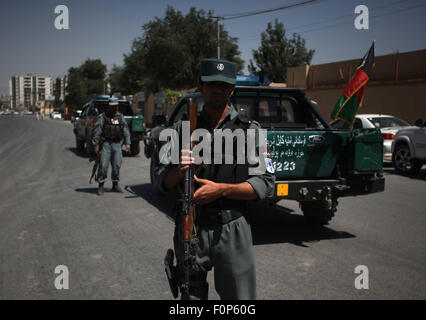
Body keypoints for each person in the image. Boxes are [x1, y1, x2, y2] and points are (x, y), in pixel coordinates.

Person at [156, 58, 275, 300]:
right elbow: (161, 180)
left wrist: (221, 190)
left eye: (224, 85)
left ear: (232, 89)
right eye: (212, 84)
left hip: (232, 229)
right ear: (201, 87)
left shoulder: (250, 130)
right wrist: (179, 170)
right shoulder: (180, 130)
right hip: (191, 226)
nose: (218, 90)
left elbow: (266, 183)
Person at [92, 98, 131, 196]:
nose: (115, 108)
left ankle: (115, 184)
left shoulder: (120, 117)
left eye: (116, 106)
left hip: (117, 144)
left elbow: (125, 130)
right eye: (113, 106)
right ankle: (101, 185)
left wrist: (128, 143)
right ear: (109, 106)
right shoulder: (103, 116)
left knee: (117, 165)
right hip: (105, 144)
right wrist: (96, 145)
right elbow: (98, 131)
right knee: (103, 165)